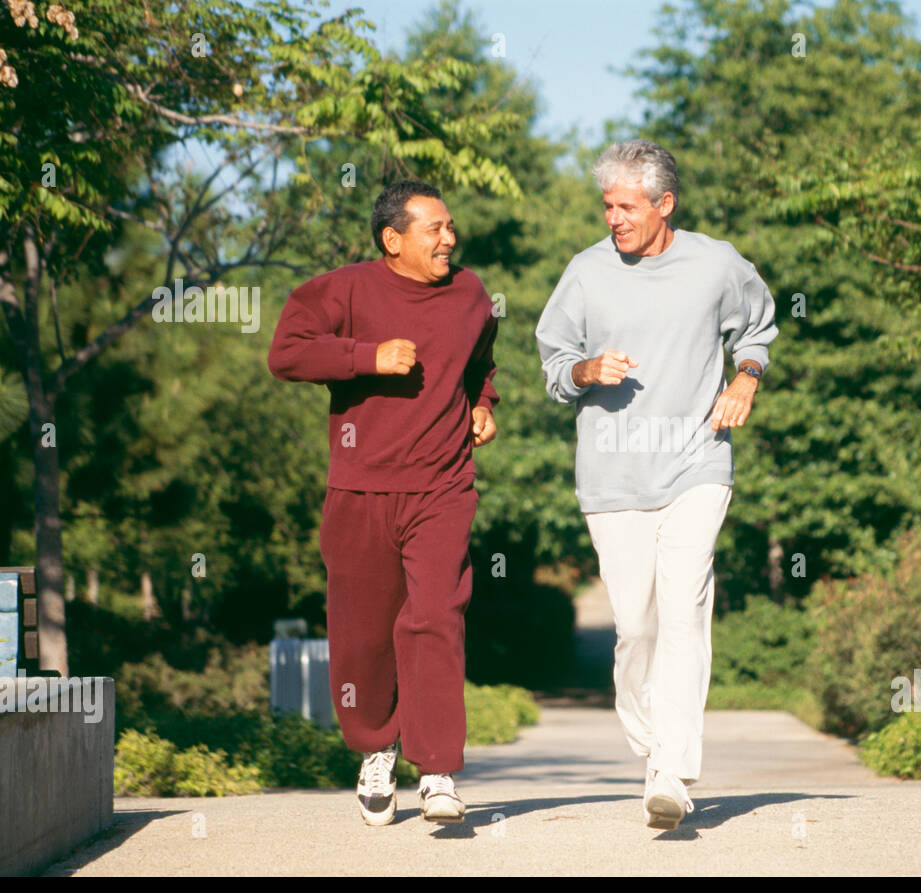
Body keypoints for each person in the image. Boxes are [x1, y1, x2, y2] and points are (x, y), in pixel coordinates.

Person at [535, 139, 777, 830]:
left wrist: (745, 380)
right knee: (635, 626)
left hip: (697, 462)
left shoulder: (717, 264)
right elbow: (554, 364)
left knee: (683, 608)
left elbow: (757, 327)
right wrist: (586, 372)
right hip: (614, 474)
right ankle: (651, 746)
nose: (613, 218)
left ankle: (671, 766)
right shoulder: (585, 274)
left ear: (664, 204)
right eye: (607, 205)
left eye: (626, 205)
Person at [268, 180, 499, 827]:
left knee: (434, 616)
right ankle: (376, 749)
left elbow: (483, 360)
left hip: (442, 487)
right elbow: (286, 352)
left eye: (450, 226)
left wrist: (483, 405)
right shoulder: (345, 289)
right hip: (360, 488)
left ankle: (437, 769)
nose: (448, 238)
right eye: (434, 228)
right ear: (392, 240)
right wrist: (364, 356)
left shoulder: (471, 294)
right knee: (364, 633)